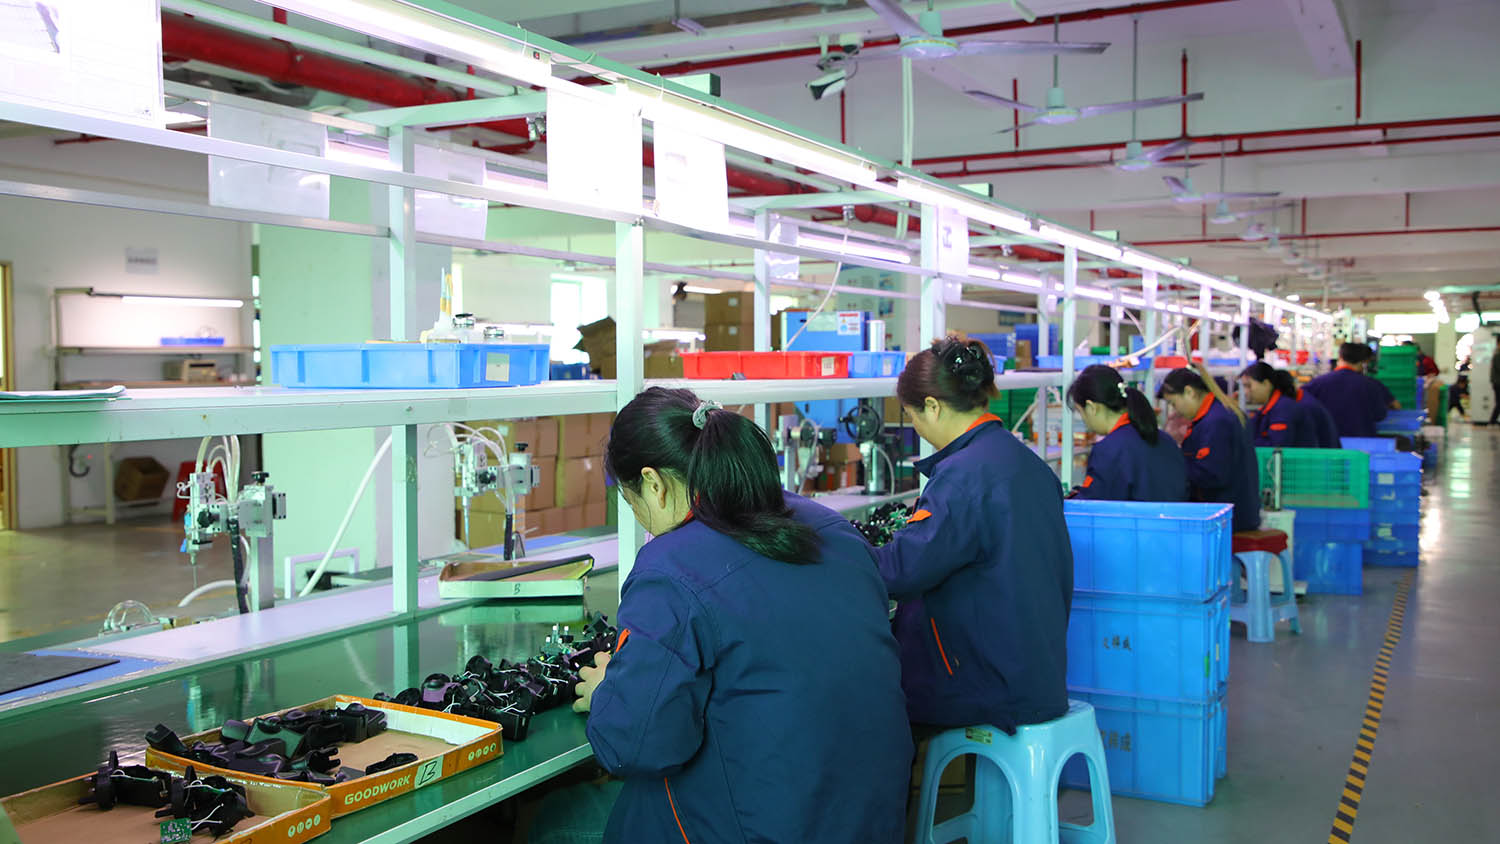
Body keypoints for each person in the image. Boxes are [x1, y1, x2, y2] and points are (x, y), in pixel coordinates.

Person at [573, 387, 913, 844]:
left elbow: (636, 746)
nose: (640, 518)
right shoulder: (833, 528)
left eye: (632, 503)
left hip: (771, 829)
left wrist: (607, 695)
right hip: (872, 821)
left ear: (653, 483)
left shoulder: (670, 569)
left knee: (556, 821)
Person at [872, 334, 1073, 734]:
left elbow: (899, 572)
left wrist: (837, 543)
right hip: (1035, 673)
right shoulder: (1025, 462)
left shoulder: (962, 477)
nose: (916, 428)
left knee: (866, 696)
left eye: (912, 416)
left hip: (988, 687)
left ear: (932, 407)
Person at [1158, 368, 1262, 532]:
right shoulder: (1219, 413)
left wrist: (1173, 466)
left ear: (1189, 392)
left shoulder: (1216, 422)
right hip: (1235, 514)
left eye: (1173, 403)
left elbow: (1211, 474)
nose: (1175, 410)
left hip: (1227, 520)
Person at [1067, 364, 1187, 501]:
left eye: (1080, 412)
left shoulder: (1109, 450)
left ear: (1091, 407)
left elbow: (1093, 503)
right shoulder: (1166, 440)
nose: (1084, 421)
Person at [1302, 342, 1398, 438]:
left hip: (1327, 441)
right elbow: (1380, 415)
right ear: (1363, 362)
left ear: (1340, 357)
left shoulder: (1316, 384)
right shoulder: (1371, 385)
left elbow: (1301, 409)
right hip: (1362, 442)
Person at [1240, 362, 1319, 447]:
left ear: (1266, 384)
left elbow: (1276, 446)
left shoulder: (1284, 409)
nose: (1245, 392)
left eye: (1248, 386)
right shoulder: (1266, 410)